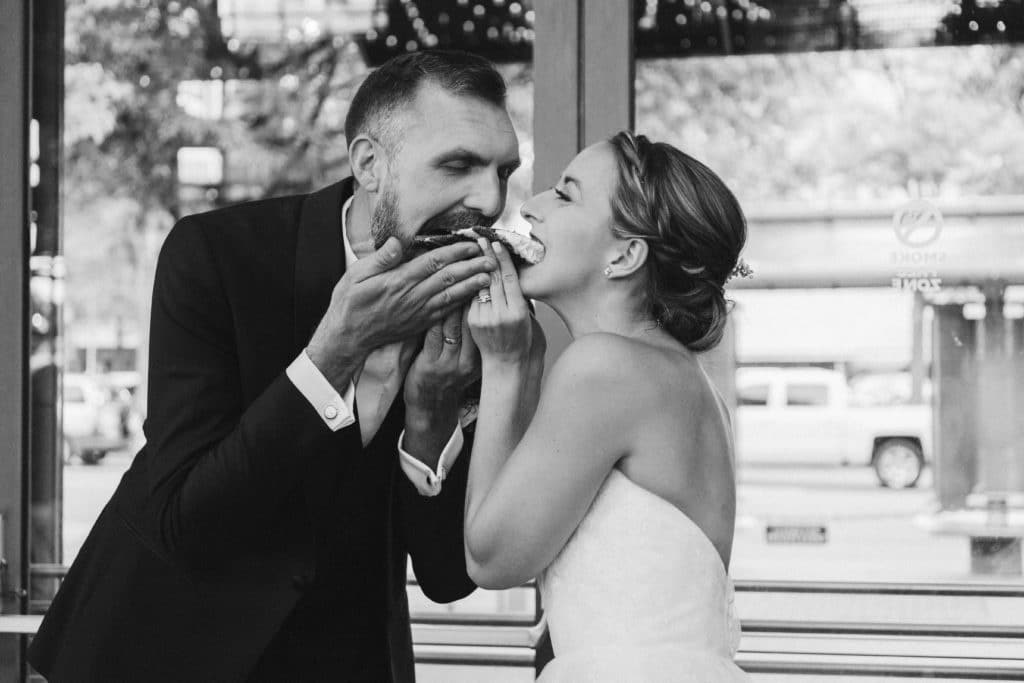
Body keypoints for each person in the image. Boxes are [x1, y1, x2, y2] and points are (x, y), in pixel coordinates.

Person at [29, 50, 521, 682]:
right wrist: (336, 350)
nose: (489, 199)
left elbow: (448, 574)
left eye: (503, 170)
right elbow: (189, 523)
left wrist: (430, 420)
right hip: (155, 652)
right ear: (370, 163)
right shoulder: (217, 257)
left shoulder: (487, 313)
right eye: (459, 164)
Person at [464, 131, 751, 681]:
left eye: (565, 195)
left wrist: (502, 367)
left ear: (623, 254)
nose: (529, 206)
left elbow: (490, 558)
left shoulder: (605, 367)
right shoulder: (677, 377)